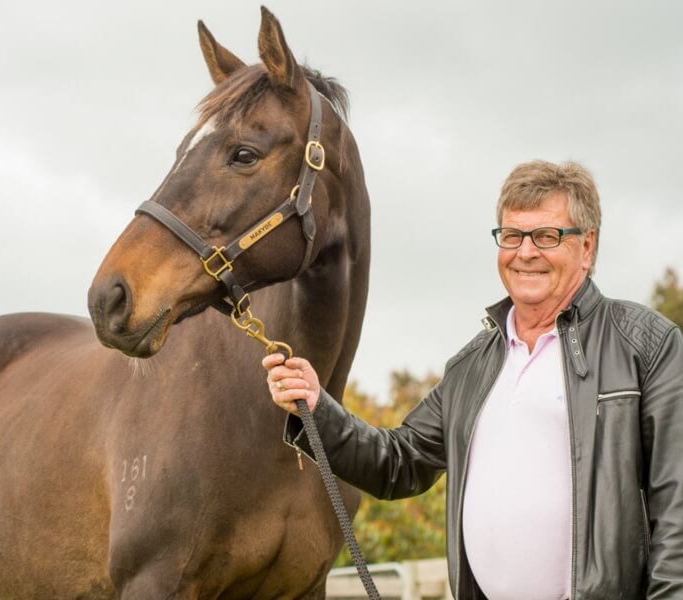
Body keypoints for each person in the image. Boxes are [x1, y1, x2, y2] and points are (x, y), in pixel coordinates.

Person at [262, 159, 683, 600]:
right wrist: (316, 405)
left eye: (546, 236)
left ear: (587, 247)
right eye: (512, 236)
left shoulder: (645, 345)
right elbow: (398, 463)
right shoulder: (471, 367)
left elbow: (675, 505)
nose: (525, 253)